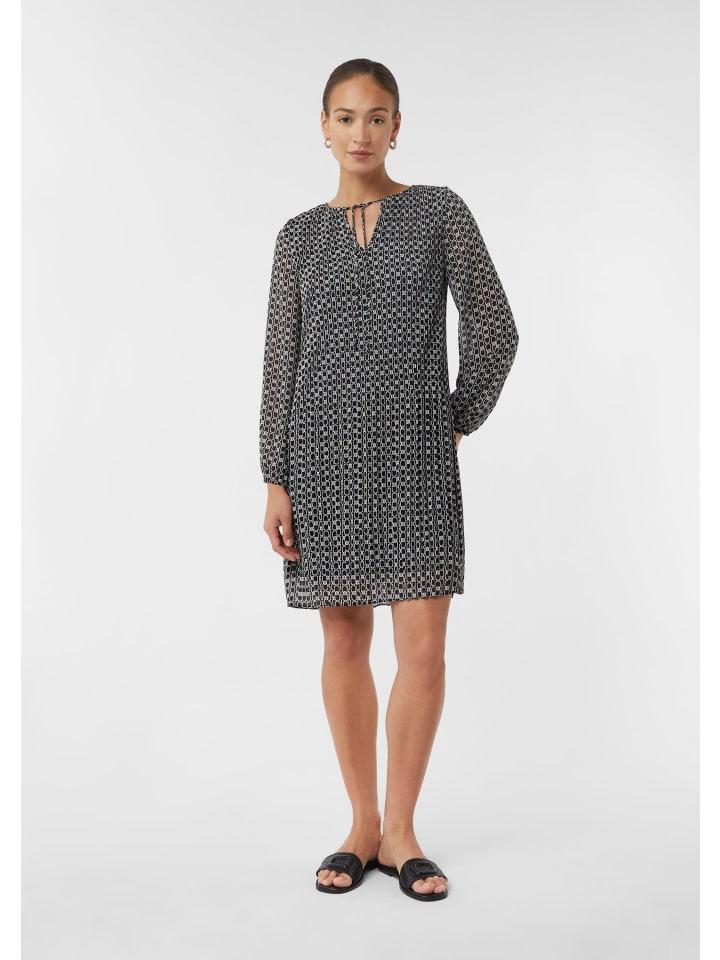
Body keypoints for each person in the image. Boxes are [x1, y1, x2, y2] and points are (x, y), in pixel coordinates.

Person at [258, 58, 519, 902]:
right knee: (342, 642)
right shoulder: (297, 237)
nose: (361, 133)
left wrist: (452, 416)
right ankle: (361, 825)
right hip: (321, 459)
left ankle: (402, 831)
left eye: (376, 117)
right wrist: (275, 476)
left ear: (397, 127)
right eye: (345, 117)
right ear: (323, 128)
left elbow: (496, 327)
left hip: (416, 461)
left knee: (424, 651)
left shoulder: (439, 212)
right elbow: (281, 361)